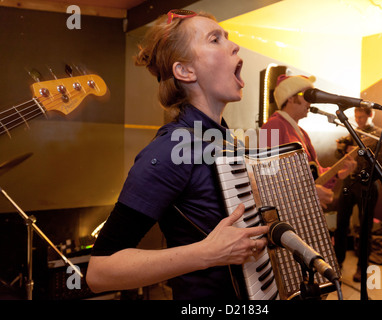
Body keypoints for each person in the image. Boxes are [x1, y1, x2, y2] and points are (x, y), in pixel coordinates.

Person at [86, 9, 269, 300]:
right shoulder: (170, 149)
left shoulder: (224, 138)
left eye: (228, 37)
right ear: (185, 71)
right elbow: (99, 272)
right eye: (215, 39)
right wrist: (207, 253)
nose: (233, 45)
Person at [259, 74, 356, 209]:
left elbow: (315, 175)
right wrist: (307, 192)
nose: (310, 102)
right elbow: (267, 175)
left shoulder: (302, 132)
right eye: (306, 96)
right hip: (286, 210)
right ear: (290, 98)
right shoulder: (271, 126)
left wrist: (338, 173)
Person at [334, 106, 382, 282]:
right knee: (341, 224)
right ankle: (337, 264)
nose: (358, 120)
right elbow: (341, 159)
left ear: (370, 115)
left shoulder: (379, 134)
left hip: (367, 184)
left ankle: (362, 268)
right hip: (349, 182)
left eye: (362, 117)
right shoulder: (352, 131)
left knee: (365, 227)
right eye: (356, 117)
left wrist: (363, 165)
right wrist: (341, 148)